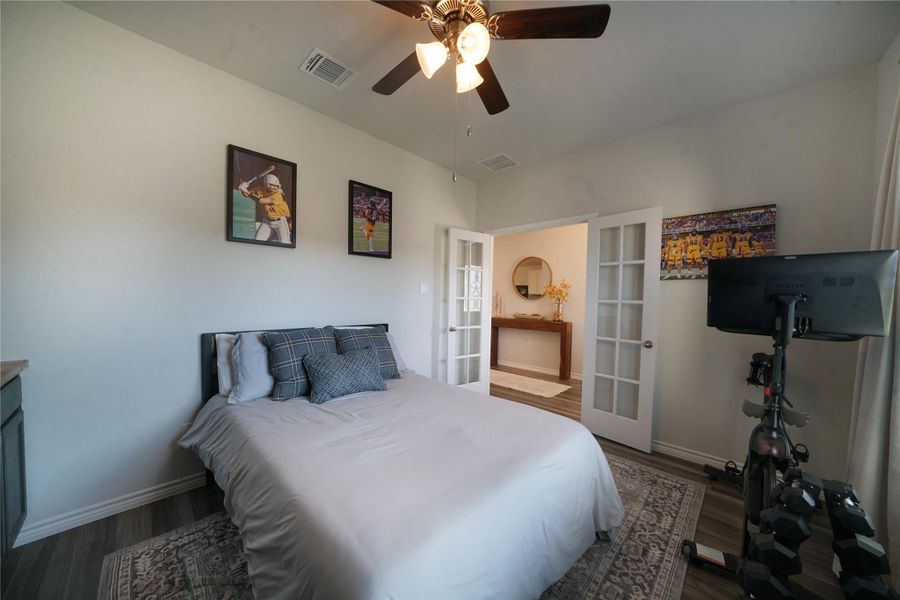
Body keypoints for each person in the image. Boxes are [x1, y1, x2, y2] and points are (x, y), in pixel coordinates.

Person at [239, 174, 291, 244]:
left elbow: (261, 201)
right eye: (272, 185)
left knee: (285, 243)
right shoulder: (260, 189)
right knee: (257, 241)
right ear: (266, 184)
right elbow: (246, 195)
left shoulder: (278, 195)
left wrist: (247, 192)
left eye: (276, 185)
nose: (275, 187)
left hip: (280, 222)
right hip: (267, 222)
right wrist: (244, 188)